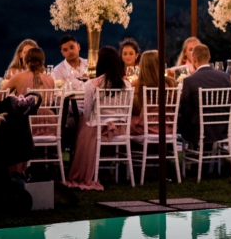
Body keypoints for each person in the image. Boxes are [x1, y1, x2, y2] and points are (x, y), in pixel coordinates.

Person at [65, 46, 126, 191]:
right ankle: (105, 171)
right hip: (119, 128)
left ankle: (83, 170)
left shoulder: (91, 85)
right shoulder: (126, 84)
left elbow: (87, 112)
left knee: (84, 122)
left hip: (98, 127)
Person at [179, 42, 231, 149]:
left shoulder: (190, 81)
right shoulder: (225, 77)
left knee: (183, 118)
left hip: (199, 131)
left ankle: (192, 158)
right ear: (209, 57)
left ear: (194, 59)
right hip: (223, 128)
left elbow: (186, 110)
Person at [130, 50, 177, 135]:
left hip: (146, 126)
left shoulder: (136, 84)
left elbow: (129, 106)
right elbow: (174, 103)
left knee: (126, 122)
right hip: (167, 125)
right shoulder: (171, 82)